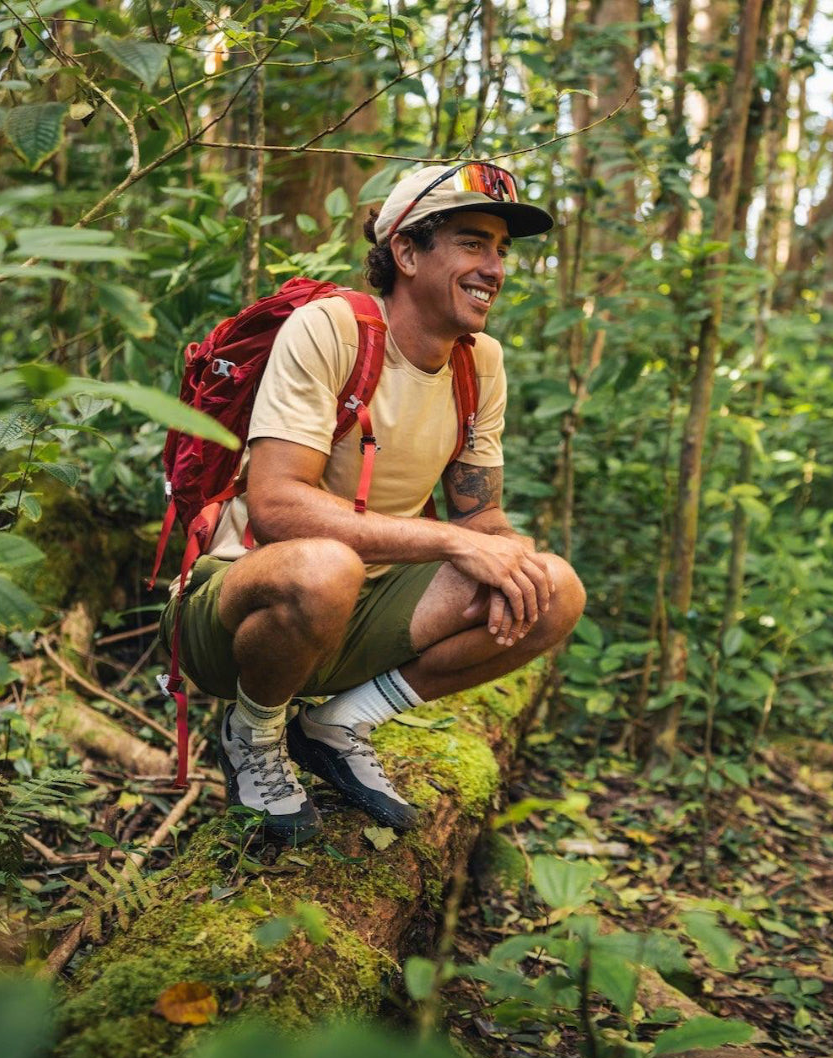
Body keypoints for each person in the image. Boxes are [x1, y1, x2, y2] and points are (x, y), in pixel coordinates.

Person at [162, 162, 586, 844]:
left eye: (502, 250)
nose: (495, 268)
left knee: (555, 588)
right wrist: (451, 542)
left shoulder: (481, 364)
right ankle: (252, 733)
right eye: (473, 242)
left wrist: (511, 561)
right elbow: (275, 506)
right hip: (242, 604)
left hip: (364, 606)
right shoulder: (332, 329)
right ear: (407, 251)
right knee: (324, 568)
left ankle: (336, 724)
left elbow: (480, 518)